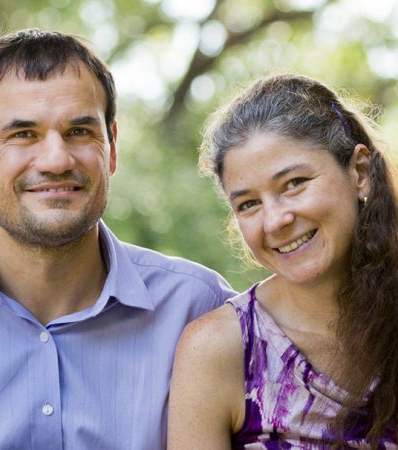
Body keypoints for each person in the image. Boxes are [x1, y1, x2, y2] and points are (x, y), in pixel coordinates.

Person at [0, 29, 235, 450]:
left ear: (112, 148)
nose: (56, 160)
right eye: (23, 134)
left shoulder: (198, 310)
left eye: (80, 132)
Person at [168, 74, 398, 449]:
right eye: (249, 204)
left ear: (359, 172)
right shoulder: (220, 349)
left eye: (294, 183)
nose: (275, 220)